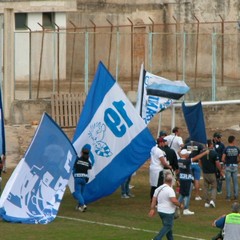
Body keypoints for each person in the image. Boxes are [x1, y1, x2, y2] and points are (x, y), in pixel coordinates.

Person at [148, 173, 184, 240]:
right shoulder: (170, 190)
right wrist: (180, 205)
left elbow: (154, 200)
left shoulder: (158, 189)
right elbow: (174, 200)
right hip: (168, 212)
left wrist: (152, 209)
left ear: (164, 180)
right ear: (171, 181)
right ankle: (157, 238)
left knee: (168, 228)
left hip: (160, 211)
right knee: (168, 226)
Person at [177, 148, 208, 215]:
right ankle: (186, 209)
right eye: (187, 154)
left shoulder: (179, 160)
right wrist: (204, 153)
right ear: (184, 155)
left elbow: (179, 153)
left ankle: (176, 206)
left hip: (182, 179)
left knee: (182, 194)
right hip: (187, 179)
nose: (188, 154)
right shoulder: (186, 161)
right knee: (187, 195)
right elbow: (196, 158)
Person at [199, 139, 224, 208]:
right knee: (214, 187)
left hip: (205, 172)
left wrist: (202, 168)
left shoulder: (202, 152)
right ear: (210, 145)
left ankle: (206, 202)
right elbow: (217, 163)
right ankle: (212, 200)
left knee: (206, 187)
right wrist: (221, 171)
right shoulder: (214, 153)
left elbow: (199, 162)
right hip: (212, 173)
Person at [72, 144, 92, 212]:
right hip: (84, 179)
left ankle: (83, 205)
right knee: (81, 193)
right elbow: (90, 167)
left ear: (82, 152)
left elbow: (74, 166)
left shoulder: (78, 160)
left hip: (78, 178)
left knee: (77, 193)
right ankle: (79, 207)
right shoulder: (88, 162)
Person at [222, 135, 240, 201]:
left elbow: (223, 159)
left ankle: (228, 196)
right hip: (235, 166)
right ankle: (236, 196)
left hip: (228, 166)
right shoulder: (237, 148)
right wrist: (237, 162)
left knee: (228, 182)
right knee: (235, 182)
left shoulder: (226, 149)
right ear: (233, 141)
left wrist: (226, 162)